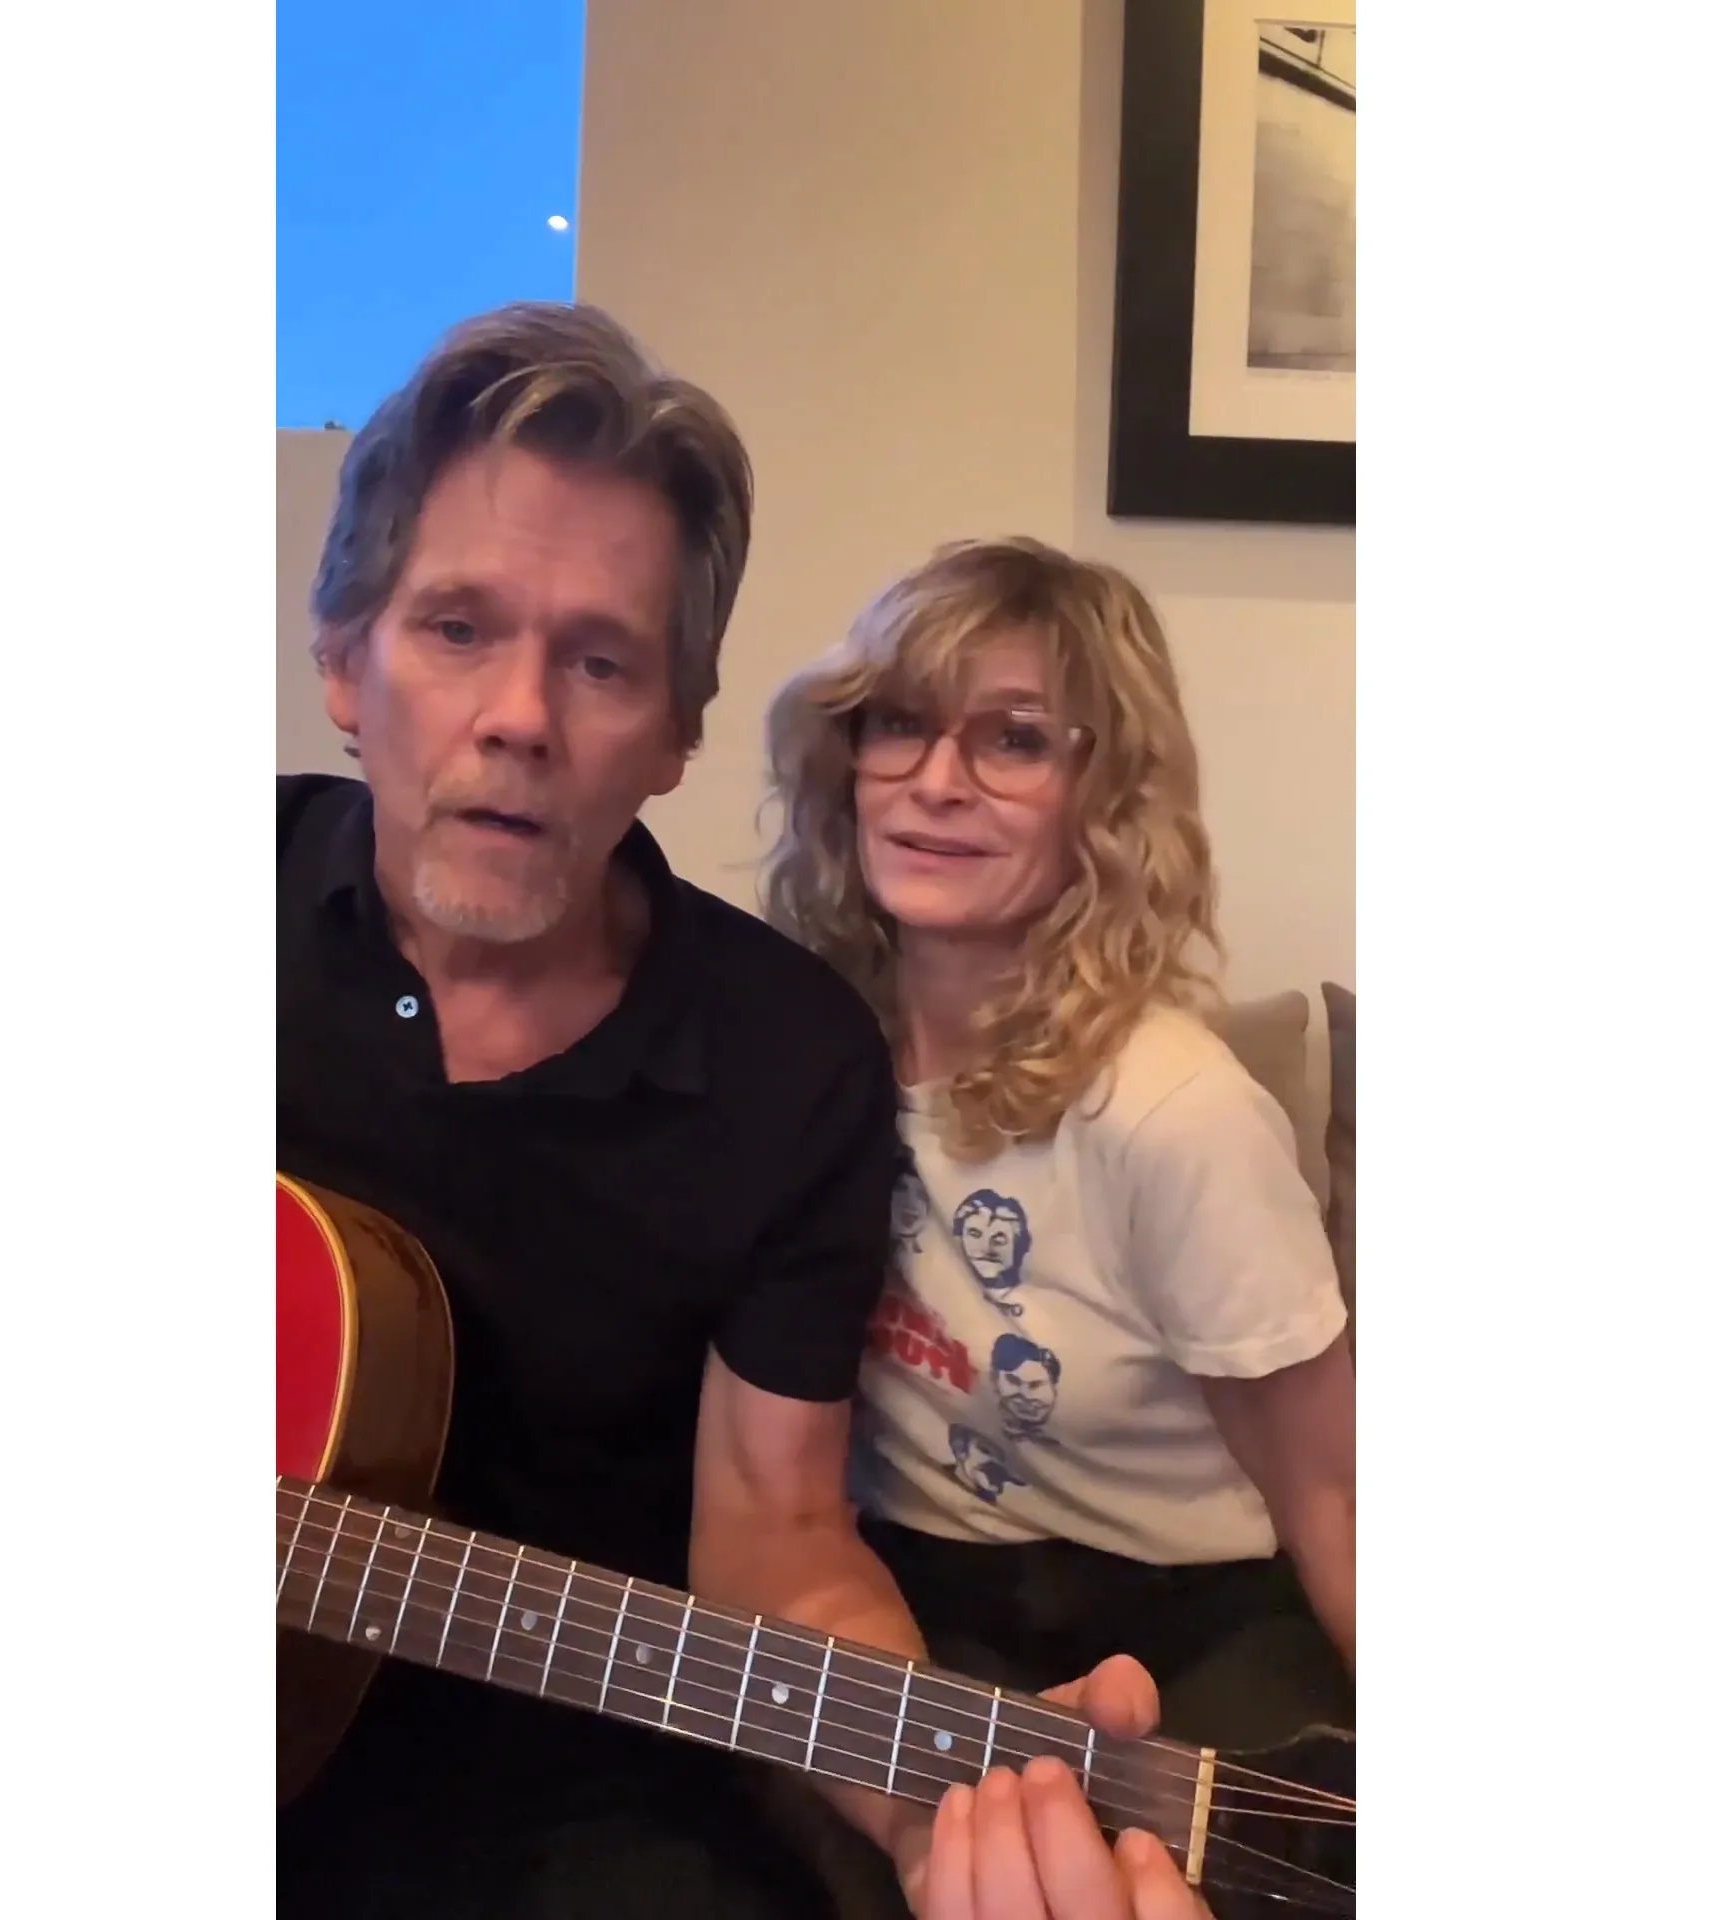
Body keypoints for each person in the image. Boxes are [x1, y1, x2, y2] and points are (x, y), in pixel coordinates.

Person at [277, 304, 1217, 1920]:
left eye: (599, 661)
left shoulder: (787, 1061)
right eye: (456, 628)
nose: (520, 715)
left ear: (675, 732)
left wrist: (928, 1815)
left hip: (557, 1783)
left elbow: (777, 1534)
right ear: (342, 664)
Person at [762, 538, 1356, 1742]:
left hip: (1186, 1627)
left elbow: (1335, 1495)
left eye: (1016, 740)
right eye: (900, 725)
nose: (937, 782)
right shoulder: (797, 1054)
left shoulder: (1174, 1110)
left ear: (1108, 796)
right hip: (906, 1599)